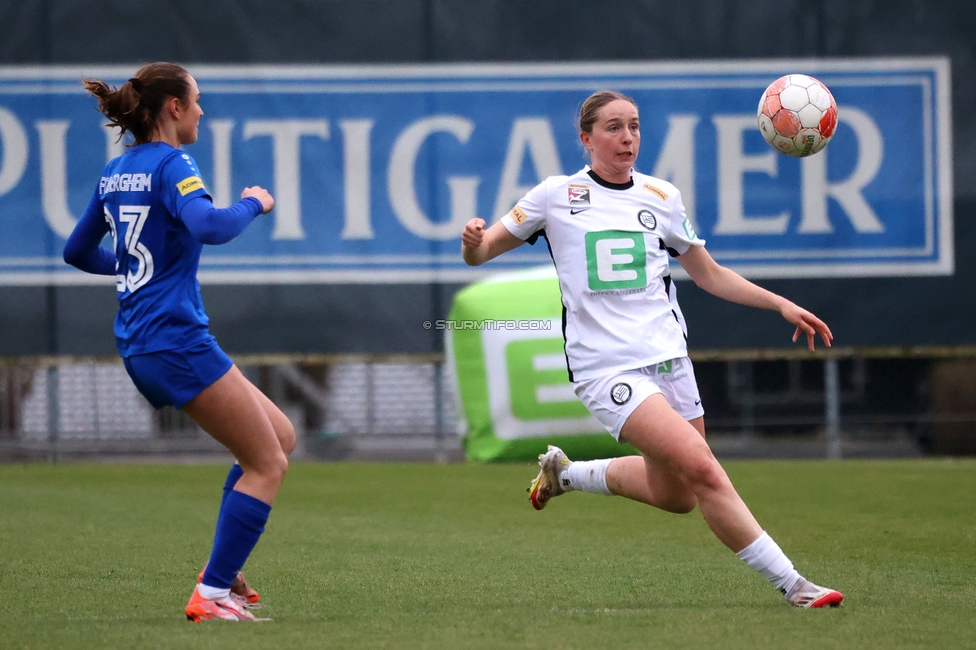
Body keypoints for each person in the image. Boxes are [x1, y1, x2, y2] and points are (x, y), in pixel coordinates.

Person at [460, 90, 843, 609]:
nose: (627, 138)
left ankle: (567, 475)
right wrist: (472, 239)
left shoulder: (661, 196)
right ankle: (795, 585)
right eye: (614, 127)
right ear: (586, 138)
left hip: (669, 360)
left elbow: (709, 274)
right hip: (605, 369)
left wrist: (779, 305)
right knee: (706, 470)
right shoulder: (556, 194)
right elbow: (481, 254)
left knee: (678, 495)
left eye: (635, 127)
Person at [63, 62, 294, 622]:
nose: (201, 110)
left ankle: (225, 570)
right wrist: (255, 203)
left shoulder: (117, 171)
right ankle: (212, 592)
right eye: (196, 100)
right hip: (173, 340)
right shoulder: (173, 162)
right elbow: (210, 226)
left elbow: (75, 251)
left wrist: (125, 265)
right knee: (267, 464)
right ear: (172, 107)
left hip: (147, 341)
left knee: (280, 437)